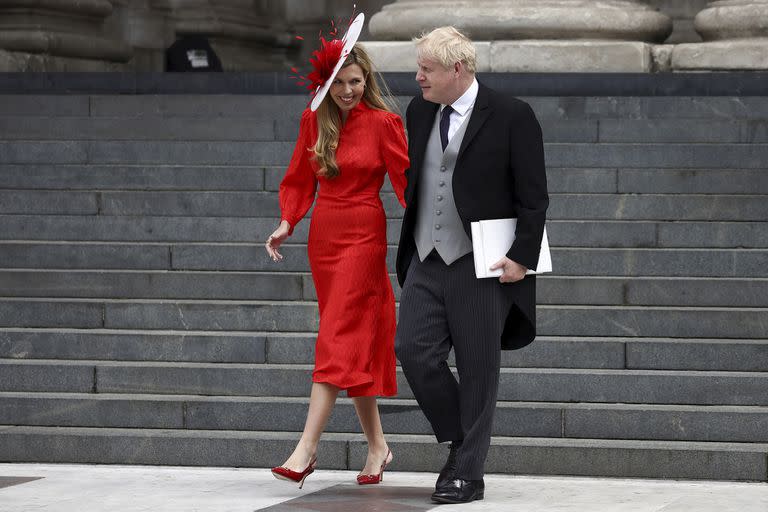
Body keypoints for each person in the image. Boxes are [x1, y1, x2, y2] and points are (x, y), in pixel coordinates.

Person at [394, 26, 549, 504]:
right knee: (413, 350)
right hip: (425, 255)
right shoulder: (419, 111)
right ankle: (463, 440)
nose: (418, 77)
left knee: (480, 368)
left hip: (483, 262)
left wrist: (522, 258)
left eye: (427, 69)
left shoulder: (511, 115)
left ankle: (467, 474)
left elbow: (534, 195)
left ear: (457, 69)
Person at [265, 13, 408, 489]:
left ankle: (306, 450)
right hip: (324, 238)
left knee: (333, 338)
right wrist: (288, 222)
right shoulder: (314, 119)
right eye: (340, 82)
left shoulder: (385, 123)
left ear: (366, 80)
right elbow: (298, 178)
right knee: (350, 342)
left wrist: (434, 226)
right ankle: (378, 447)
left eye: (355, 80)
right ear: (327, 82)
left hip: (365, 237)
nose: (347, 90)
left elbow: (408, 184)